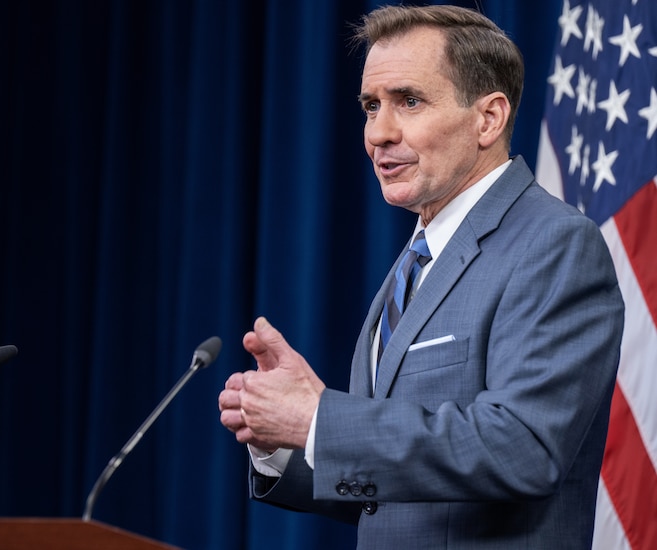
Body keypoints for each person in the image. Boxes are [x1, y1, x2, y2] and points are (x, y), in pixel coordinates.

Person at [218, 4, 625, 549]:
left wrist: (321, 420)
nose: (378, 133)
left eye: (408, 101)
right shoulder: (417, 259)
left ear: (489, 118)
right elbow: (390, 495)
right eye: (370, 106)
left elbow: (522, 447)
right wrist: (284, 442)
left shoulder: (553, 244)